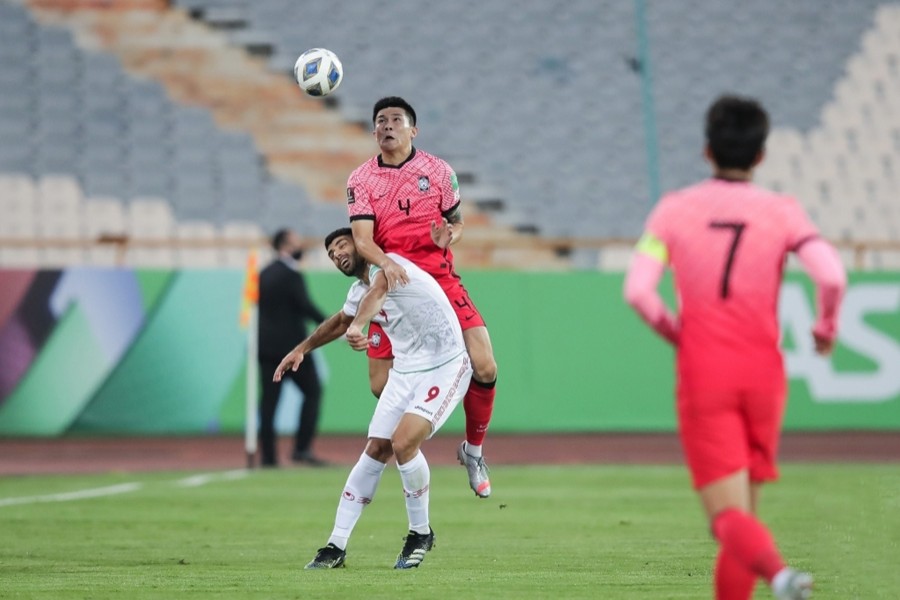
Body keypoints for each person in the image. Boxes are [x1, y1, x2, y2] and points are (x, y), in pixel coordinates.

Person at [624, 95, 846, 600]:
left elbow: (638, 291)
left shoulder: (675, 211)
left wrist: (677, 333)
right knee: (742, 516)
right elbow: (831, 275)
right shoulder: (783, 211)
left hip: (707, 369)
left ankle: (782, 575)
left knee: (726, 519)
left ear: (706, 151)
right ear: (761, 156)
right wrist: (826, 328)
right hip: (764, 370)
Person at [274, 228, 472, 569]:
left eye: (341, 244)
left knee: (403, 442)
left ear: (362, 242)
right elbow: (340, 320)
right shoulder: (358, 290)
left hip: (445, 364)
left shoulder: (391, 265)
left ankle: (420, 533)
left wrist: (358, 326)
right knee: (375, 449)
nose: (336, 254)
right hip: (406, 370)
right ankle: (335, 545)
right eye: (331, 253)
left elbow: (378, 292)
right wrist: (301, 349)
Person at [345, 96, 496, 498]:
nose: (387, 126)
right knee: (381, 385)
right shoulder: (361, 180)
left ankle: (473, 452)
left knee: (485, 365)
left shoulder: (438, 171)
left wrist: (452, 235)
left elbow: (458, 222)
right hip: (393, 287)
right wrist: (387, 264)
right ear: (374, 130)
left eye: (396, 119)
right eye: (380, 120)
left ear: (414, 130)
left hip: (441, 279)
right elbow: (362, 241)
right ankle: (406, 435)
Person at [257, 228, 328, 467]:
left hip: (266, 349)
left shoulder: (264, 273)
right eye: (296, 243)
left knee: (269, 403)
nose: (301, 248)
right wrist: (334, 326)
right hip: (292, 350)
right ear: (285, 246)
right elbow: (305, 306)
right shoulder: (291, 275)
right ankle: (301, 449)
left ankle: (268, 457)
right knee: (313, 392)